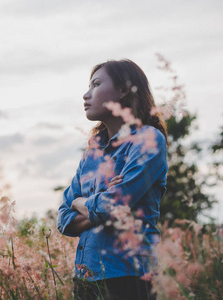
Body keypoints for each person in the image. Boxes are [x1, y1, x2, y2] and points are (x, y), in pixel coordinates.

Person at [57, 59, 168, 300]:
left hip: (128, 278)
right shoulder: (91, 154)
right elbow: (63, 219)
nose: (86, 95)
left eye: (96, 84)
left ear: (123, 90)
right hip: (85, 278)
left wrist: (81, 202)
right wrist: (98, 205)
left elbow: (112, 205)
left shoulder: (148, 140)